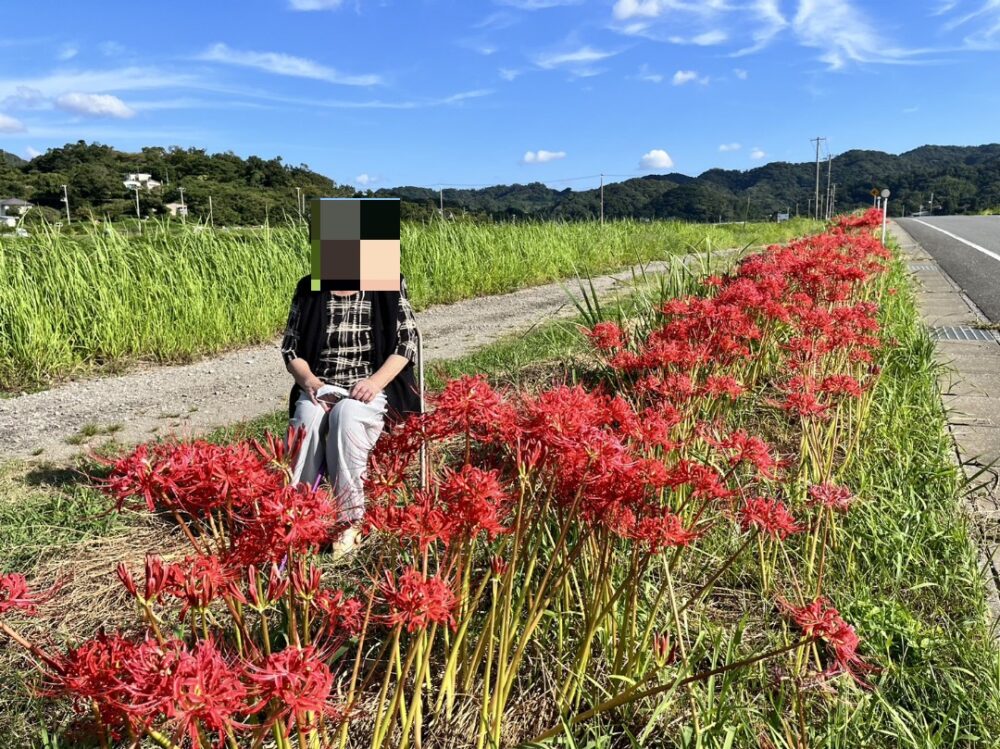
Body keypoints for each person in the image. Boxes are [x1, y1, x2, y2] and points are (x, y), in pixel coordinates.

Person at [280, 273, 421, 555]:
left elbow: (406, 344)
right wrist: (309, 381)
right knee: (307, 419)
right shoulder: (310, 286)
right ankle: (300, 516)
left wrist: (374, 383)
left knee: (346, 416)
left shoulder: (387, 281)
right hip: (321, 384)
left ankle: (349, 518)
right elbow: (290, 348)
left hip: (370, 385)